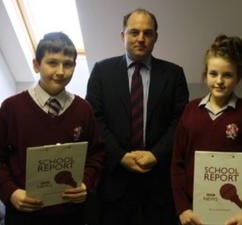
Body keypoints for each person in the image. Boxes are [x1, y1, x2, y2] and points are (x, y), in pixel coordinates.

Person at [0, 32, 106, 225]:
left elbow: (96, 153)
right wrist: (11, 192)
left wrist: (86, 184)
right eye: (52, 63)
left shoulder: (83, 109)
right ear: (36, 65)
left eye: (68, 64)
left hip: (72, 214)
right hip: (24, 215)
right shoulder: (12, 108)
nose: (61, 71)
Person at [85, 8, 189, 225]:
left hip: (159, 184)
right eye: (134, 32)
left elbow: (179, 121)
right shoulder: (102, 72)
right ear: (123, 36)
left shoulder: (174, 74)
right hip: (114, 183)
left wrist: (155, 154)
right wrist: (121, 156)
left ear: (156, 38)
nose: (141, 39)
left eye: (147, 33)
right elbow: (95, 119)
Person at [171, 34, 242, 225]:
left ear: (238, 77)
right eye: (213, 73)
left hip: (236, 217)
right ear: (205, 74)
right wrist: (182, 208)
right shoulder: (190, 110)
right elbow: (177, 164)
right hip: (194, 216)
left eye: (228, 75)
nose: (219, 81)